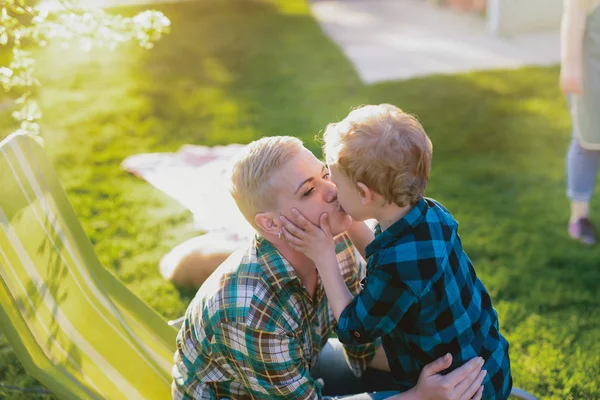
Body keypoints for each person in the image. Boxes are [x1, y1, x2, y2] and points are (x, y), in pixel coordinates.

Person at [171, 136, 487, 399]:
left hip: (302, 368)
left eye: (325, 175)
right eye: (309, 191)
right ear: (270, 223)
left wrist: (446, 365)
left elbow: (362, 344)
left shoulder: (336, 241)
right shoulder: (251, 312)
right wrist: (418, 397)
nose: (333, 190)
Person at [280, 105, 512, 400]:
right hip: (489, 364)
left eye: (336, 184)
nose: (331, 192)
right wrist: (350, 222)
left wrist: (324, 257)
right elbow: (382, 258)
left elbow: (354, 330)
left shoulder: (400, 267)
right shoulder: (428, 214)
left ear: (365, 194)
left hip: (455, 391)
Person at [560, 0, 600, 245]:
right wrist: (570, 65)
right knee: (588, 142)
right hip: (592, 76)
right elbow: (574, 17)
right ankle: (579, 217)